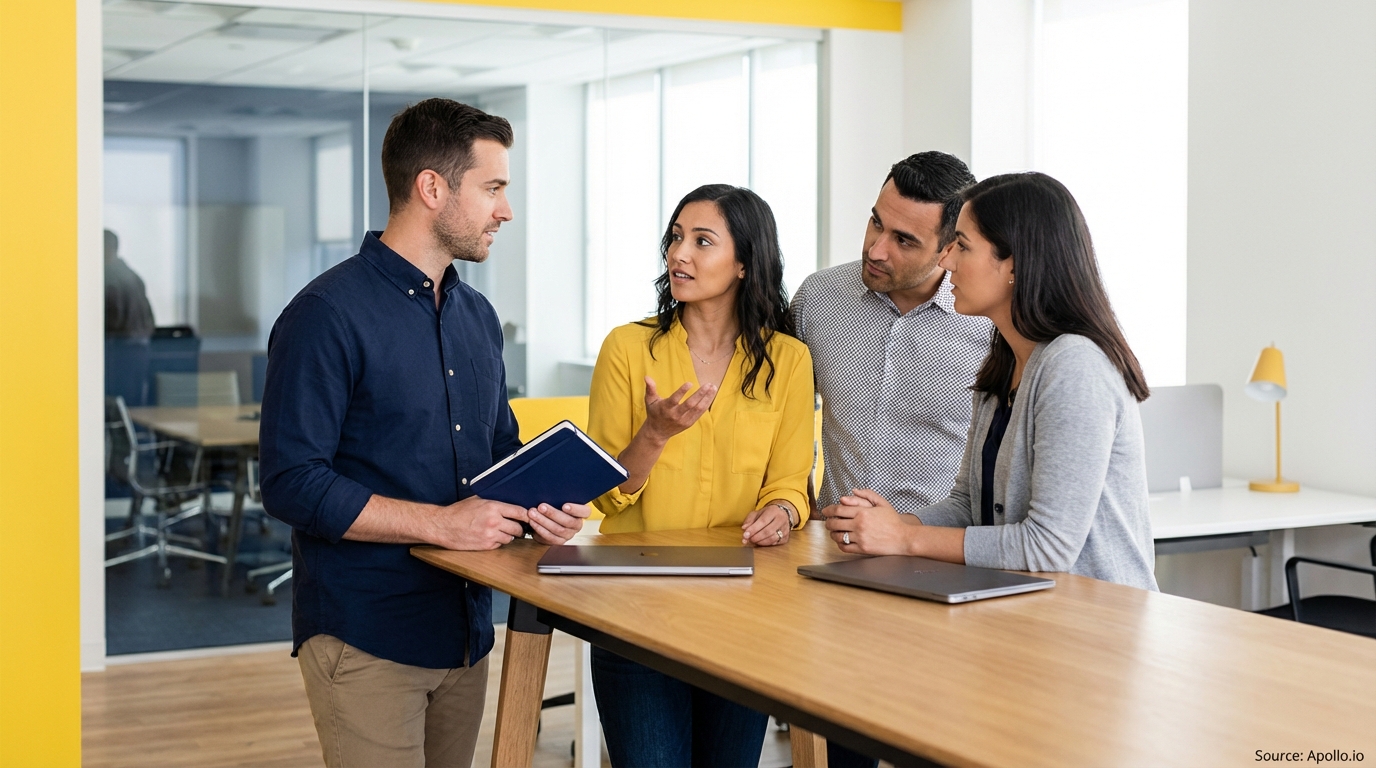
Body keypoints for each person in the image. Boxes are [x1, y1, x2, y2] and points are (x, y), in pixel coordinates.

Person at [259, 98, 590, 768]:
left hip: (466, 630)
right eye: (493, 188)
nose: (506, 210)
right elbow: (292, 483)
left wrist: (544, 504)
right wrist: (441, 524)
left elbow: (497, 452)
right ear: (432, 188)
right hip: (366, 634)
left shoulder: (478, 316)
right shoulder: (326, 314)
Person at [824, 171, 1159, 593]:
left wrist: (906, 538)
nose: (945, 262)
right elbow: (970, 506)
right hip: (1028, 618)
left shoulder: (1075, 366)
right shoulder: (1005, 357)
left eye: (961, 246)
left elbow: (1048, 546)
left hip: (1098, 630)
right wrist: (888, 523)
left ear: (1015, 265)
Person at [586, 184, 814, 767]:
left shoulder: (788, 360)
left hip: (743, 611)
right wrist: (655, 435)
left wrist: (781, 512)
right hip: (638, 609)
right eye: (676, 238)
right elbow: (605, 495)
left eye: (702, 241)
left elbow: (791, 482)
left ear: (744, 263)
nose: (678, 254)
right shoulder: (627, 348)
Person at [790, 153, 989, 768]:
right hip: (839, 568)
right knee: (845, 750)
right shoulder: (819, 298)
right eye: (875, 223)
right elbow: (778, 418)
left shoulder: (987, 324)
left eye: (904, 239)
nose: (876, 248)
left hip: (947, 571)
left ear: (949, 248)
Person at [104, 229, 156, 406]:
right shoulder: (133, 276)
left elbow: (113, 320)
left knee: (116, 407)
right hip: (139, 349)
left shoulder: (108, 278)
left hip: (118, 351)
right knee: (133, 406)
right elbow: (150, 318)